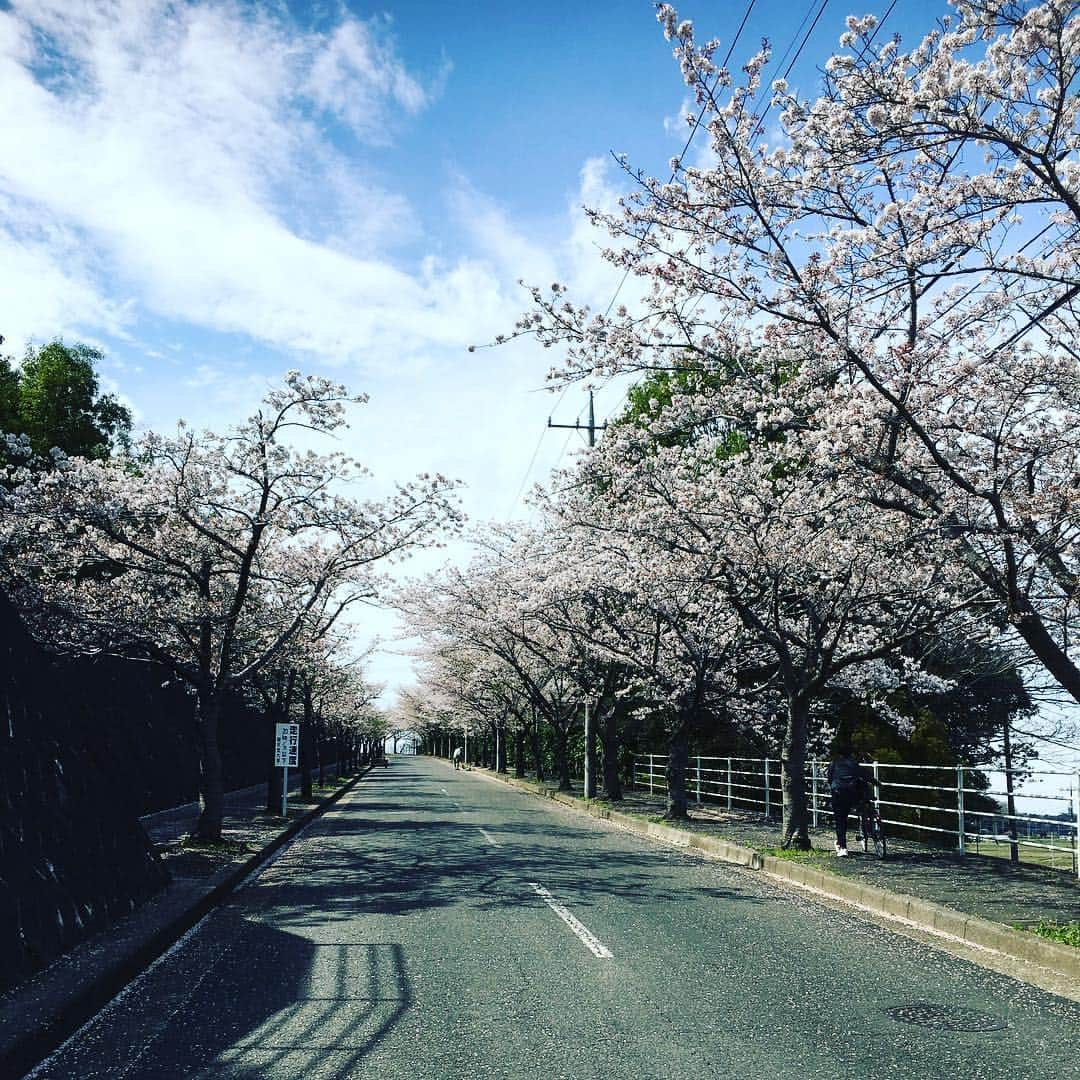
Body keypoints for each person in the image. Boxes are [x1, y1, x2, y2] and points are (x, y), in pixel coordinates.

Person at [827, 748, 878, 856]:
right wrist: (877, 783)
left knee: (840, 820)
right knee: (861, 798)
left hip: (839, 793)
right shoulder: (854, 764)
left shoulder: (834, 764)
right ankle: (866, 811)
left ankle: (843, 847)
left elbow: (829, 779)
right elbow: (866, 776)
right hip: (853, 794)